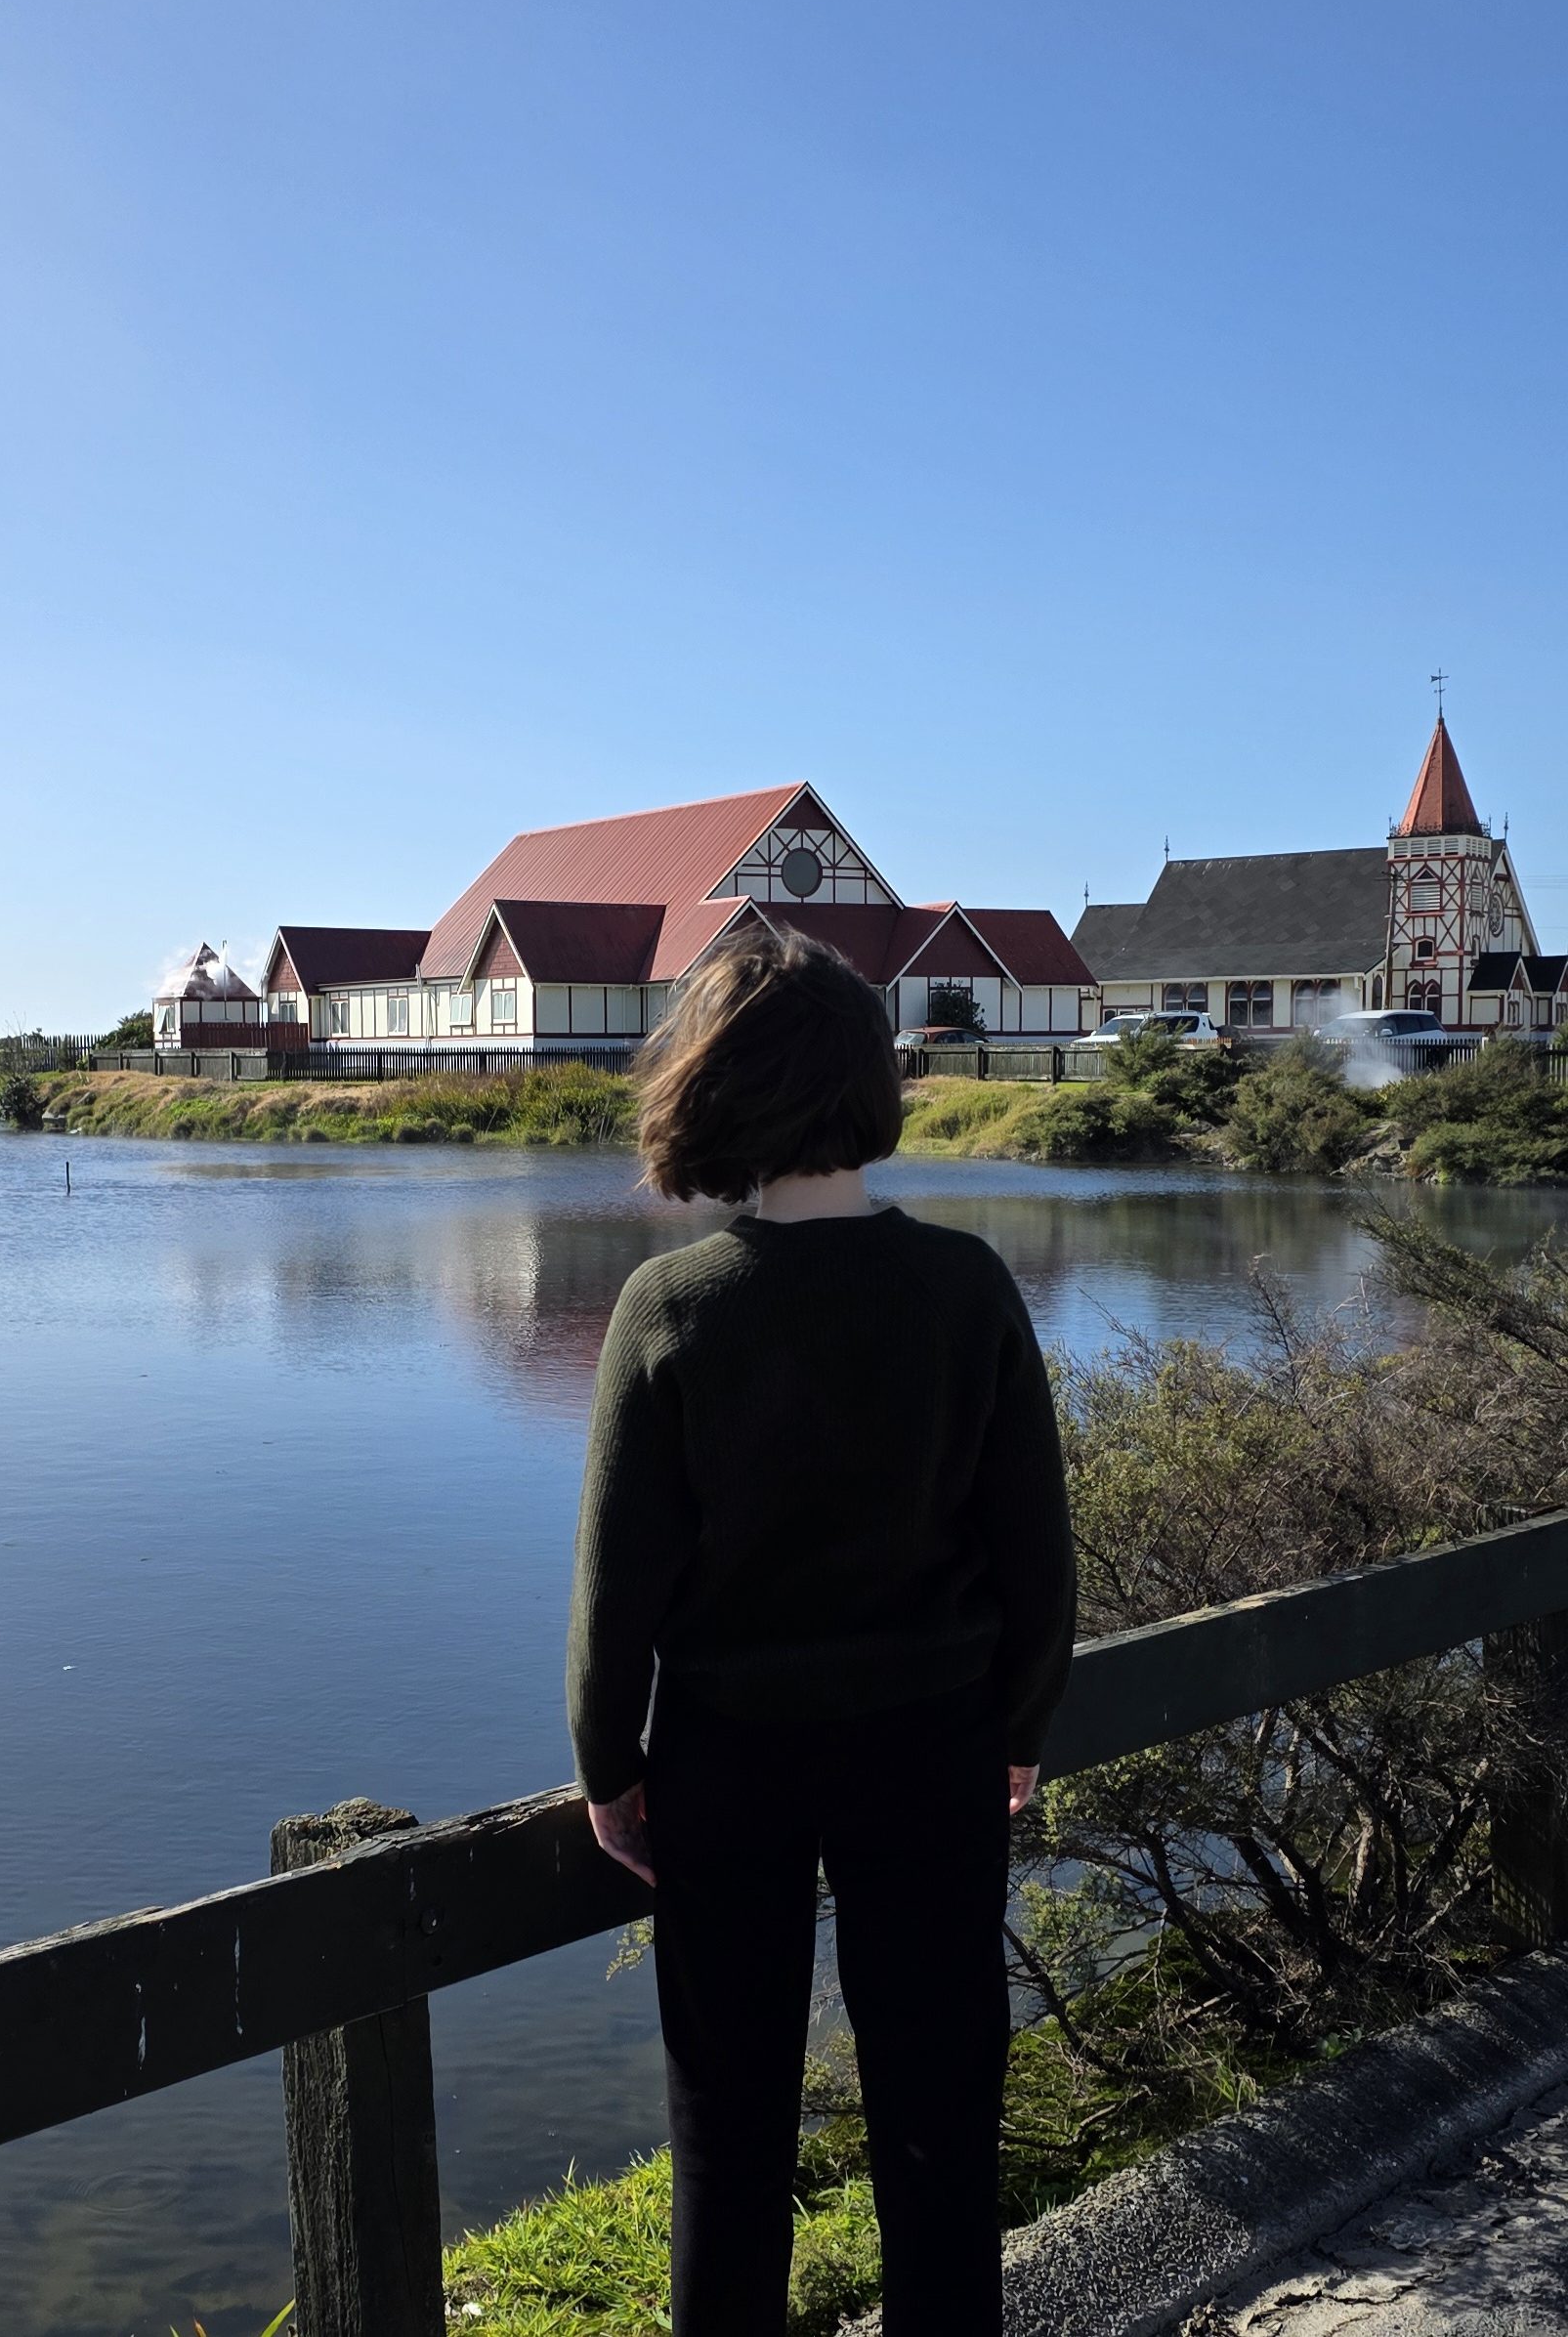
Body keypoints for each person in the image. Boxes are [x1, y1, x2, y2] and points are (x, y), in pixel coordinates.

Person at [567, 925, 1077, 2335]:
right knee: (939, 2122)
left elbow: (617, 1589)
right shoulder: (966, 1287)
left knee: (727, 2136)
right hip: (935, 1751)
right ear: (873, 1083)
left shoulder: (670, 1306)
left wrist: (609, 1766)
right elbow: (1038, 1559)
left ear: (707, 1088)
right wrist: (1020, 1726)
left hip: (726, 1766)